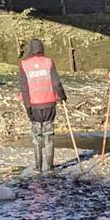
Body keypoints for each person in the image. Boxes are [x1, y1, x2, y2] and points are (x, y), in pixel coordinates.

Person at [18, 38, 67, 174]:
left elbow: (24, 88)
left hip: (33, 105)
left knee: (37, 136)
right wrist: (62, 96)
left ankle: (38, 167)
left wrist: (27, 107)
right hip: (49, 104)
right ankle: (50, 167)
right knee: (49, 135)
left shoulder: (24, 64)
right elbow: (56, 83)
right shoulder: (48, 62)